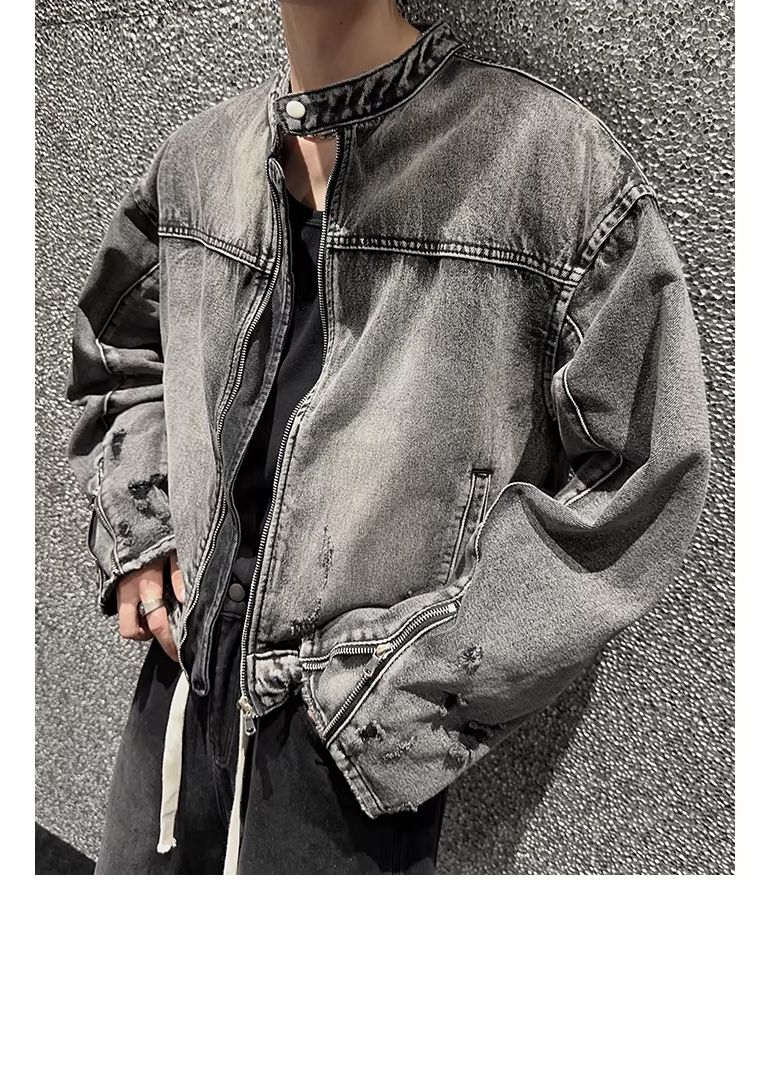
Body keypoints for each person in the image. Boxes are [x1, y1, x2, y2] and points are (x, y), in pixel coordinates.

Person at [65, 1, 712, 874]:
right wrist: (143, 529)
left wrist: (396, 694)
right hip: (176, 692)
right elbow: (123, 355)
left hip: (343, 766)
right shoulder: (197, 162)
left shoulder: (549, 169)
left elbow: (642, 476)